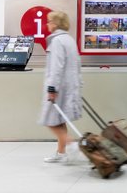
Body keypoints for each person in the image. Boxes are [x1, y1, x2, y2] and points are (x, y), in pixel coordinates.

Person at [38, 11, 83, 163]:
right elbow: (77, 64)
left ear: (55, 23)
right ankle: (61, 152)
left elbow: (56, 67)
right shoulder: (69, 39)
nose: (47, 24)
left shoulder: (56, 41)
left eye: (49, 21)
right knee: (60, 120)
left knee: (49, 120)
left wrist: (52, 89)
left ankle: (71, 143)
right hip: (69, 85)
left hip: (59, 87)